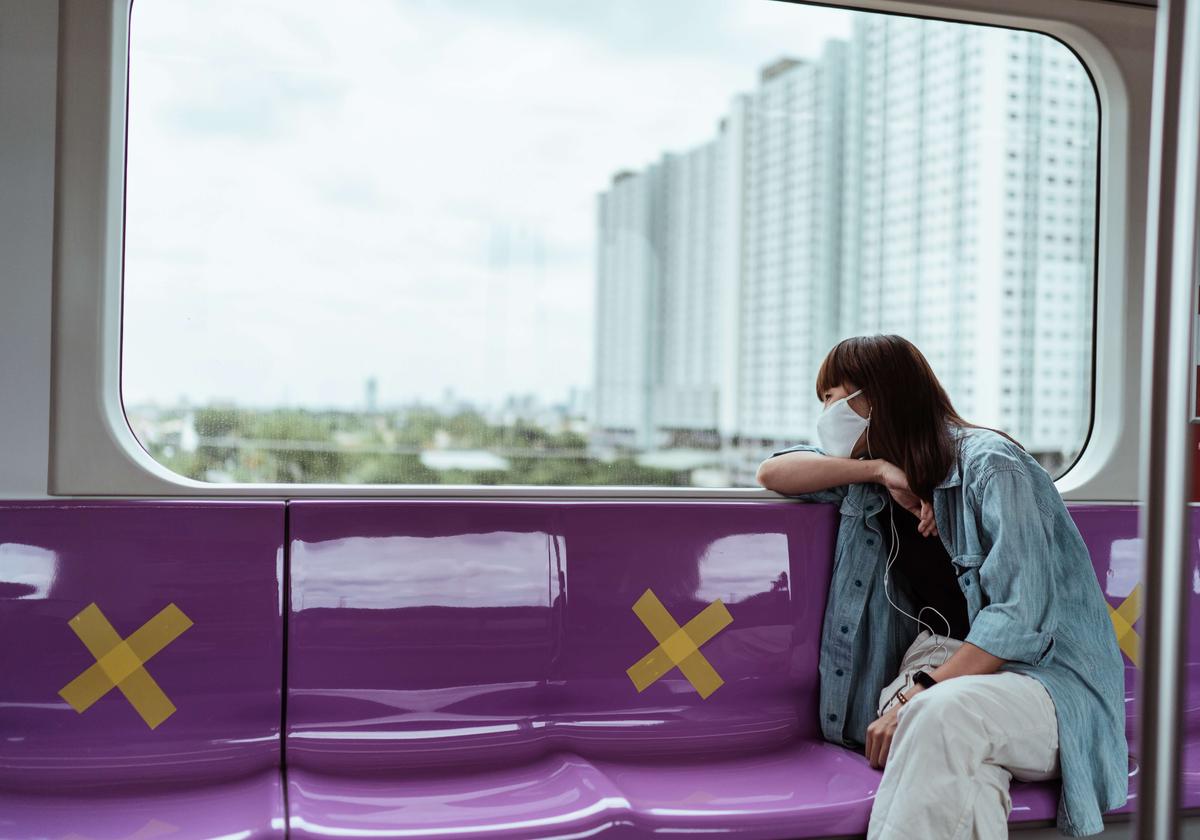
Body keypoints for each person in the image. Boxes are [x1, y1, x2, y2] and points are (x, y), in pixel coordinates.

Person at [756, 334, 1128, 839]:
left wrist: (921, 692)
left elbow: (1020, 618)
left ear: (875, 399)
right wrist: (878, 469)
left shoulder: (992, 466)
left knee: (935, 717)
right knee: (964, 775)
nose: (827, 413)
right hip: (955, 678)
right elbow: (774, 471)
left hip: (1047, 684)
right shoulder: (877, 482)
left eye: (833, 397)